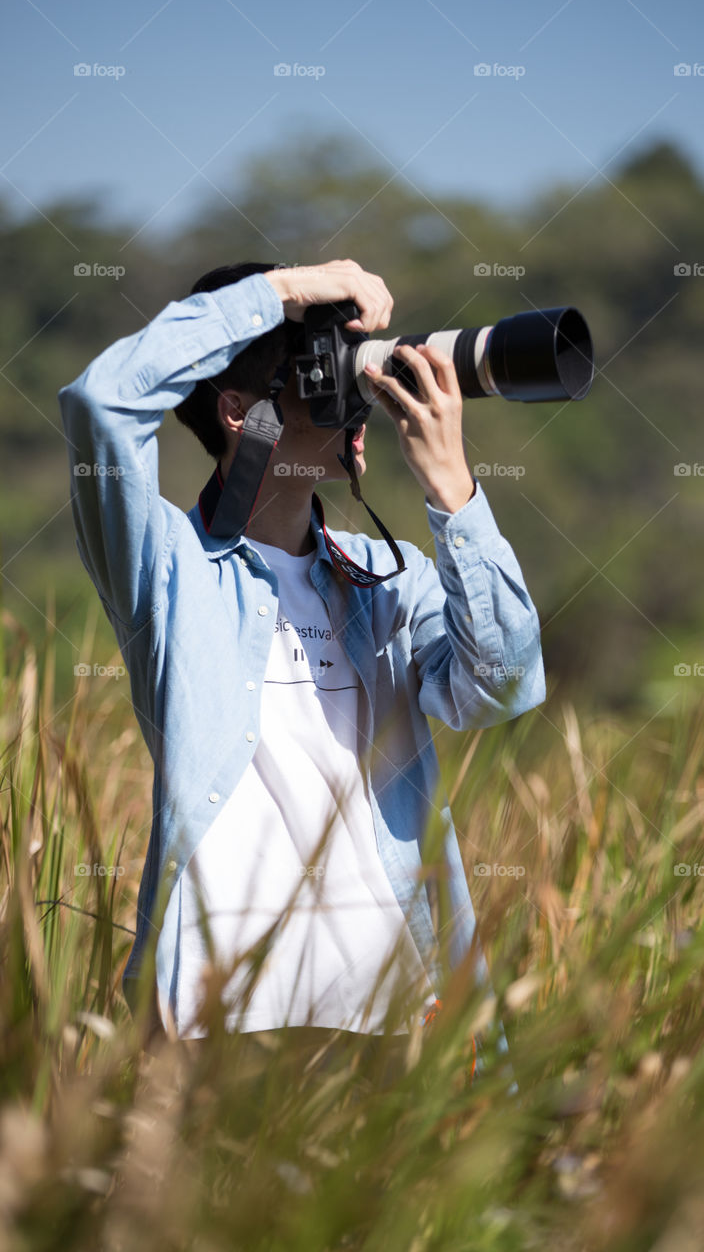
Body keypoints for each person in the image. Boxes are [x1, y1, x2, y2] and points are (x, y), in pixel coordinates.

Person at [58, 258, 545, 1082]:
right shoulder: (168, 568)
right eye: (323, 375)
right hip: (221, 1020)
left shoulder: (386, 575)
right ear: (239, 413)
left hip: (395, 1014)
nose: (353, 406)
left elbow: (500, 688)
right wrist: (281, 293)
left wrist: (455, 497)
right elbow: (100, 403)